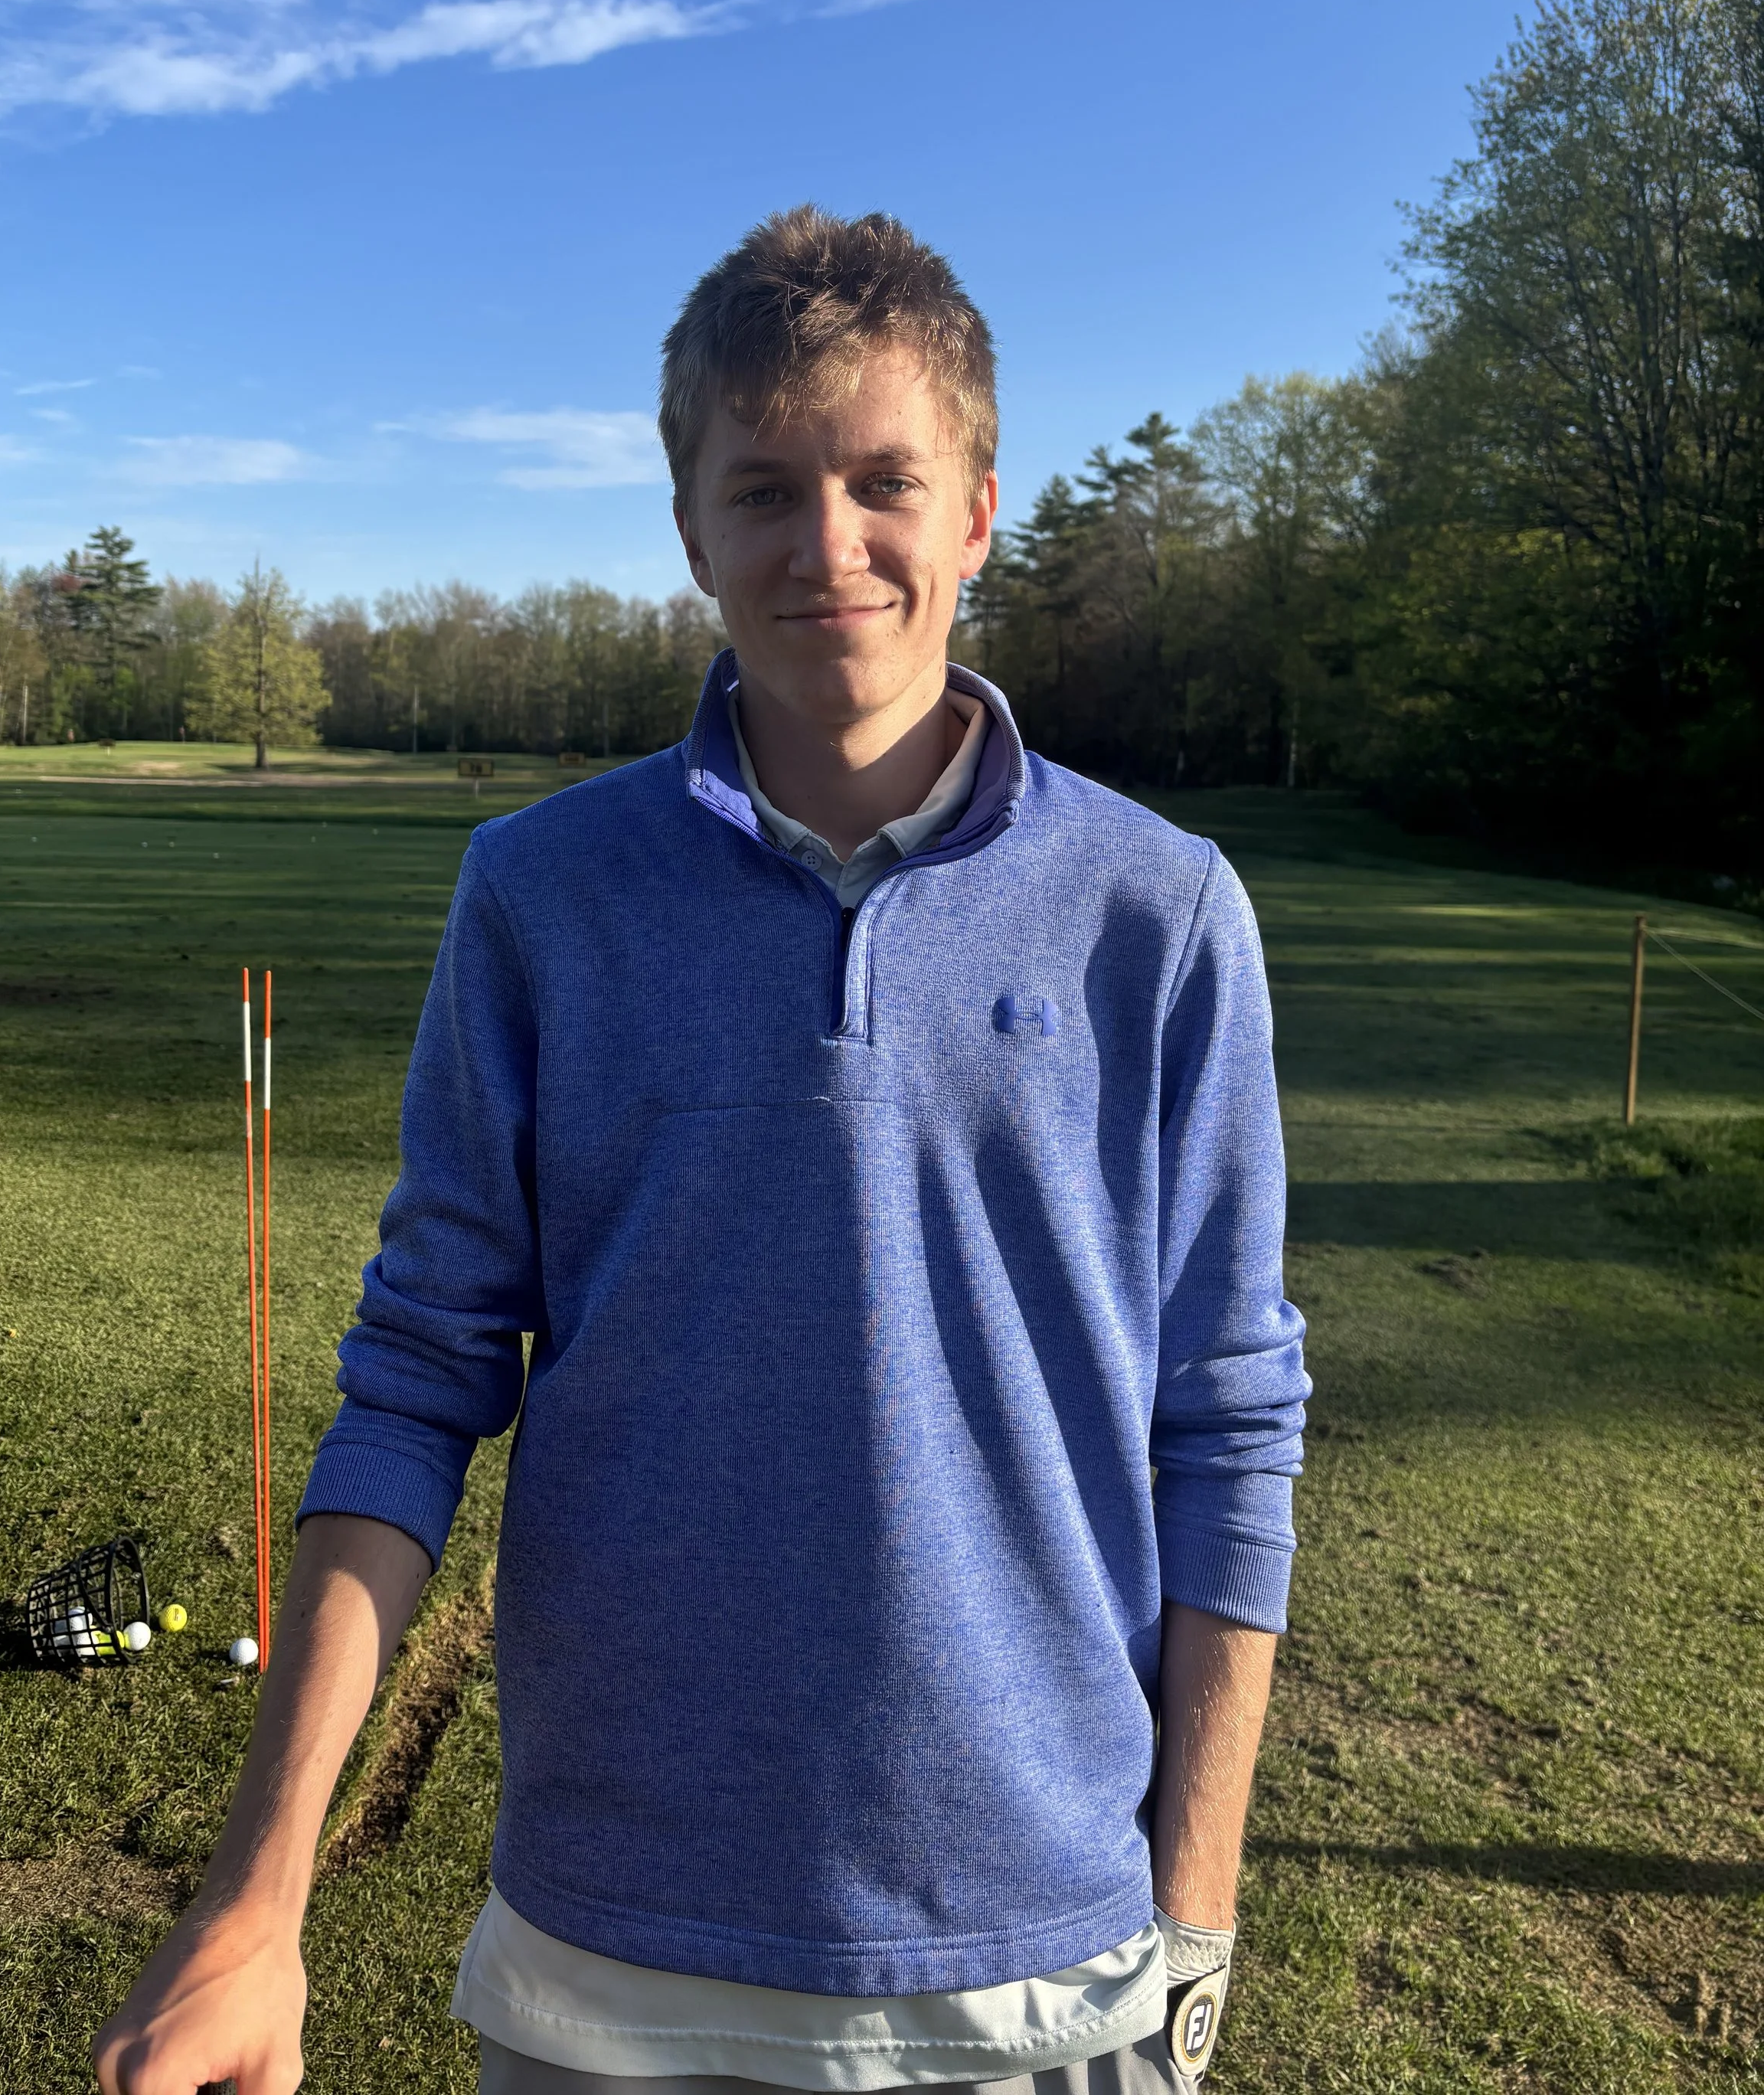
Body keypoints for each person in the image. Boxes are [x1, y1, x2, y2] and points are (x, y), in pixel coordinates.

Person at [94, 208, 1309, 2095]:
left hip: (1039, 1972)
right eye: (764, 489)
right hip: (613, 1961)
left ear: (976, 510)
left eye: (883, 482)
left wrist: (1196, 1908)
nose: (828, 546)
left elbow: (1224, 1414)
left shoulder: (1159, 913)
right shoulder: (539, 893)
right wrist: (259, 1900)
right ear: (689, 535)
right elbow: (414, 1383)